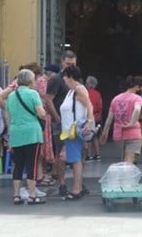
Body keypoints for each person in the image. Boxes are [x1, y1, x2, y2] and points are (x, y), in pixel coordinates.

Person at [0, 69, 47, 205]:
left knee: (18, 165)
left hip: (16, 134)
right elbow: (41, 114)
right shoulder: (33, 94)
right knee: (32, 164)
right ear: (30, 80)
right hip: (32, 134)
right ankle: (32, 195)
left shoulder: (11, 96)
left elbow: (7, 108)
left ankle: (16, 195)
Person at [59, 65, 95, 200]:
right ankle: (78, 187)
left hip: (74, 131)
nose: (63, 78)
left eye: (65, 76)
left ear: (71, 77)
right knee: (74, 159)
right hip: (69, 132)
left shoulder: (79, 89)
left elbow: (89, 105)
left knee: (75, 160)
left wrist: (90, 122)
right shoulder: (71, 91)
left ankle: (77, 189)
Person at [46, 51, 77, 196]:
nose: (70, 66)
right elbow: (48, 100)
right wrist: (57, 118)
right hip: (60, 122)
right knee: (61, 153)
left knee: (77, 150)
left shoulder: (76, 79)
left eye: (73, 64)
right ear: (62, 63)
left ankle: (78, 181)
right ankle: (62, 182)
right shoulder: (56, 80)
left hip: (74, 122)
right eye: (68, 63)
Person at [100, 76, 142, 163]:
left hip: (118, 133)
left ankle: (123, 175)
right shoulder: (137, 98)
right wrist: (132, 122)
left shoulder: (116, 99)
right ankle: (127, 176)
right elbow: (137, 109)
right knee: (129, 162)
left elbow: (109, 118)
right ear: (136, 86)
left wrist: (105, 132)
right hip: (133, 133)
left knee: (123, 159)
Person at [85, 76, 103, 161]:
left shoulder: (85, 93)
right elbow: (100, 106)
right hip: (97, 117)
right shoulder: (98, 94)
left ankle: (89, 155)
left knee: (88, 136)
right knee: (96, 136)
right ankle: (98, 154)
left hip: (88, 117)